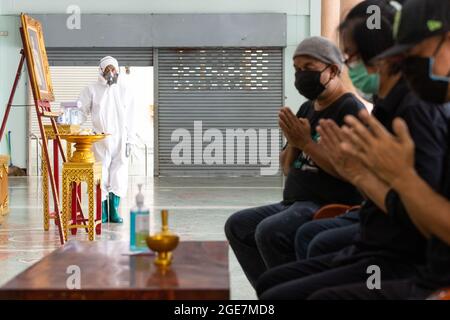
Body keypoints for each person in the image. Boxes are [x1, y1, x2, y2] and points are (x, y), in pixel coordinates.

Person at [256, 0, 449, 300]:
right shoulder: (379, 109)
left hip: (400, 260)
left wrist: (386, 178)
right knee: (272, 281)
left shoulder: (413, 111)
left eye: (414, 55)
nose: (351, 66)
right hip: (376, 244)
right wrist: (359, 172)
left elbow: (415, 216)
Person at [224, 36, 364, 287]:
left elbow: (352, 171)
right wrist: (294, 142)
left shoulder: (350, 109)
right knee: (237, 225)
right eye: (296, 69)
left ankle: (294, 291)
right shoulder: (307, 108)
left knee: (270, 231)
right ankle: (270, 291)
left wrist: (307, 143)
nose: (301, 75)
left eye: (308, 68)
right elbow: (289, 169)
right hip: (294, 202)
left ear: (332, 70)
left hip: (329, 202)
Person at [78, 56, 138, 223]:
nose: (110, 73)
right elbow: (81, 111)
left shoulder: (125, 90)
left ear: (117, 71)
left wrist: (130, 140)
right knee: (101, 173)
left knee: (118, 173)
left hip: (120, 138)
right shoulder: (91, 89)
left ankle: (114, 211)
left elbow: (132, 117)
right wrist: (69, 120)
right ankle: (102, 211)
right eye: (107, 70)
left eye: (113, 69)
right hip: (100, 138)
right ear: (101, 71)